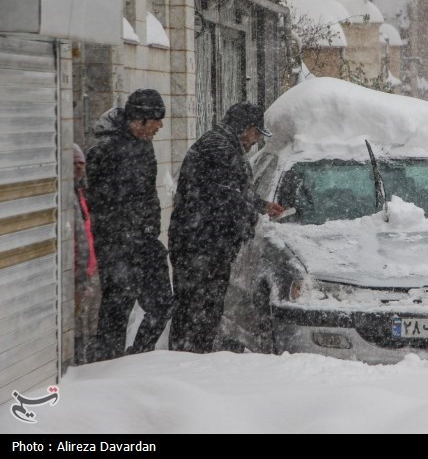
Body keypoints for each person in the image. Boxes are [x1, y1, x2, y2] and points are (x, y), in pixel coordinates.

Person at [168, 102, 284, 353]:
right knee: (199, 309)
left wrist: (261, 206)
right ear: (247, 129)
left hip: (202, 243)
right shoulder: (221, 149)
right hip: (202, 245)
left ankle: (188, 357)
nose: (256, 142)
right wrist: (248, 217)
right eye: (256, 134)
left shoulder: (220, 144)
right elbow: (226, 198)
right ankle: (190, 361)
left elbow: (230, 193)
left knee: (197, 308)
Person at [86, 89, 174, 361]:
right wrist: (122, 238)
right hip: (117, 247)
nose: (160, 125)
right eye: (157, 119)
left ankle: (137, 358)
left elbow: (147, 193)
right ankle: (108, 366)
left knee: (162, 304)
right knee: (117, 309)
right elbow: (99, 204)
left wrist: (149, 228)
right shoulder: (104, 151)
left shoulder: (143, 144)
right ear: (140, 119)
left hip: (144, 242)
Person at [73, 144, 101, 365]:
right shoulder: (69, 197)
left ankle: (88, 365)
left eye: (81, 163)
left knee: (91, 323)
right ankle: (77, 367)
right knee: (77, 324)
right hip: (77, 271)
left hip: (89, 268)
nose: (79, 167)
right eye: (74, 163)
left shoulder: (81, 193)